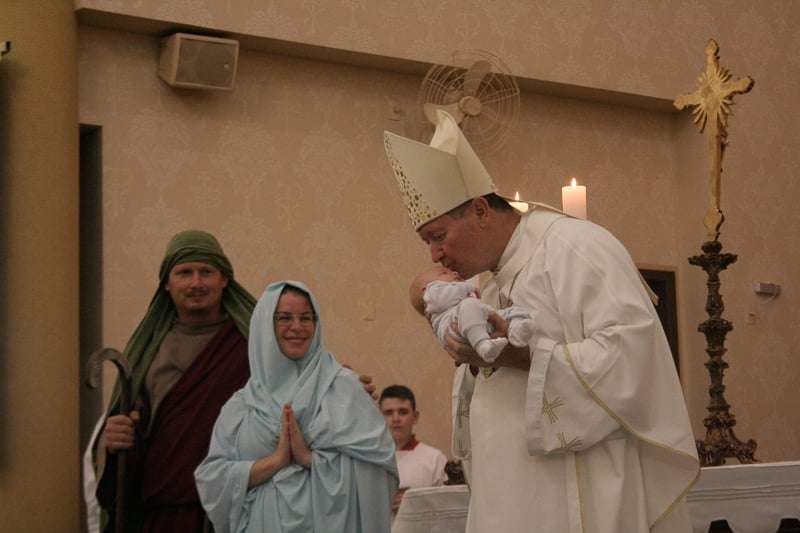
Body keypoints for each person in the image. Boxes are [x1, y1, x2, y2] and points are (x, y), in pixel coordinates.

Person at [382, 110, 700, 532]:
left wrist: (525, 356)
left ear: (480, 210)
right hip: (511, 492)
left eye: (438, 237)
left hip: (578, 492)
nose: (434, 256)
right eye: (427, 243)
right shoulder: (486, 281)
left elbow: (633, 357)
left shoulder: (577, 247)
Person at [83, 232, 378, 533]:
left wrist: (342, 387)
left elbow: (306, 371)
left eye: (206, 272)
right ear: (166, 284)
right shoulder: (146, 352)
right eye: (185, 273)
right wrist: (112, 441)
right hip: (164, 513)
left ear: (225, 279)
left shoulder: (256, 342)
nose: (196, 283)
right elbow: (128, 428)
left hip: (242, 506)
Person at [195, 281, 398, 533]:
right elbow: (212, 479)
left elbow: (379, 465)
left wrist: (309, 459)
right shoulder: (241, 405)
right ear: (265, 325)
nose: (297, 327)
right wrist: (276, 461)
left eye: (306, 318)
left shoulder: (343, 388)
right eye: (284, 318)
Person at [410, 265, 535, 363]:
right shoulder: (433, 295)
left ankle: (515, 330)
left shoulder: (457, 300)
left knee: (507, 313)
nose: (454, 273)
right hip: (459, 327)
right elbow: (449, 296)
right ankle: (483, 345)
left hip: (474, 321)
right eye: (444, 273)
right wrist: (467, 287)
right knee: (469, 305)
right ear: (425, 291)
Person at [379, 385, 448, 512]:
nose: (396, 419)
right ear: (379, 418)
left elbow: (446, 509)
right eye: (389, 413)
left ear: (415, 417)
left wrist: (415, 504)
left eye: (403, 412)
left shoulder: (435, 459)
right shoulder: (369, 459)